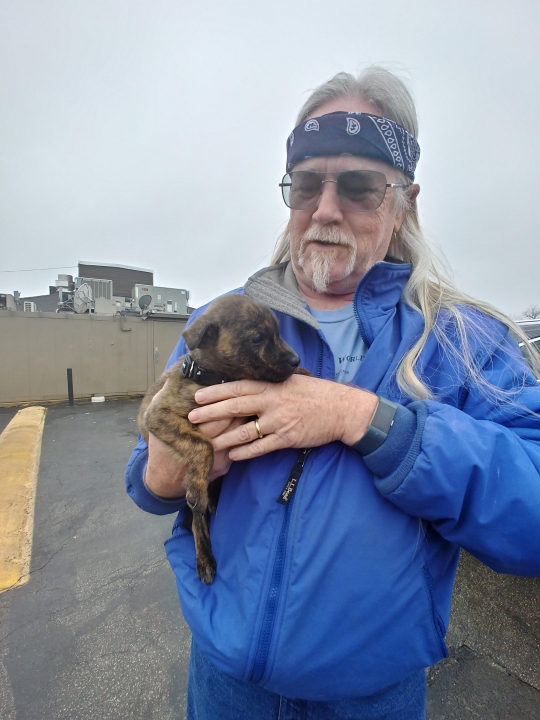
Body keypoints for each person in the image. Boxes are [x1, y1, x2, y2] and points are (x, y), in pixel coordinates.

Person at [126, 67, 540, 719]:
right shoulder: (223, 323)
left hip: (371, 699)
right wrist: (160, 471)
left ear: (404, 200)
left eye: (358, 186)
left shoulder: (464, 341)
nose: (325, 208)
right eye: (306, 184)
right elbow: (148, 482)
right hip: (224, 683)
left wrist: (367, 419)